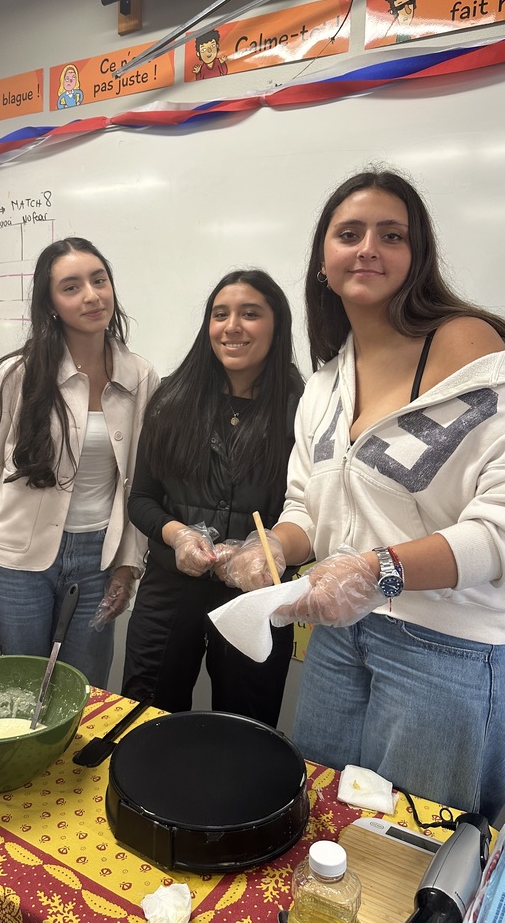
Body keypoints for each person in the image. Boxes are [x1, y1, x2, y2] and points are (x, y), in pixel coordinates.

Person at [224, 168, 505, 822]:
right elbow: (308, 506)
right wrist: (275, 542)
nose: (367, 249)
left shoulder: (464, 345)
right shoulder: (326, 384)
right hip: (337, 642)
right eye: (349, 234)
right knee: (325, 833)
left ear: (417, 260)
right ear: (323, 262)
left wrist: (380, 570)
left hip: (452, 656)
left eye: (392, 235)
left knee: (417, 857)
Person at [0, 237, 159, 689]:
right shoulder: (19, 373)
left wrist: (128, 564)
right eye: (72, 286)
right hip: (12, 560)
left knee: (82, 688)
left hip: (97, 559)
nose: (92, 295)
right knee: (15, 688)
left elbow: (139, 484)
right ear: (52, 302)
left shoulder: (141, 376)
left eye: (99, 281)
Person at [121, 269, 304, 727]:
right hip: (168, 592)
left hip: (256, 600)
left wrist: (262, 554)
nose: (232, 326)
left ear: (277, 326)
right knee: (146, 719)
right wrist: (179, 536)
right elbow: (141, 499)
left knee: (245, 729)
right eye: (220, 315)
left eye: (250, 314)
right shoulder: (172, 399)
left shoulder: (305, 408)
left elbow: (315, 514)